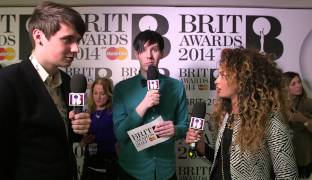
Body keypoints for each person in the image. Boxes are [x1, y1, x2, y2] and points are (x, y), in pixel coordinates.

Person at [0, 2, 91, 180]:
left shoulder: (67, 82)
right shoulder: (8, 81)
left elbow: (58, 138)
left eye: (78, 40)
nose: (76, 48)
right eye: (67, 39)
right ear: (39, 36)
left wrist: (78, 128)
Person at [185, 48, 299, 179]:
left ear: (243, 79)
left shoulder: (271, 119)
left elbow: (288, 175)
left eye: (223, 75)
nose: (216, 81)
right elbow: (223, 165)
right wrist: (201, 148)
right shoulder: (227, 115)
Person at [113, 30, 188, 180]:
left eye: (154, 49)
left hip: (166, 171)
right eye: (143, 50)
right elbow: (120, 135)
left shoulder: (177, 87)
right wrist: (144, 105)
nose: (149, 56)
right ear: (136, 54)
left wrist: (176, 130)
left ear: (162, 53)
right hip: (131, 170)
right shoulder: (122, 88)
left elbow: (184, 125)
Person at [283, 71, 312, 178]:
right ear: (284, 87)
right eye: (293, 84)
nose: (299, 86)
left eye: (299, 82)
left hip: (308, 157)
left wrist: (303, 119)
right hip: (287, 158)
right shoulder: (278, 107)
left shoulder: (310, 103)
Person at [80, 77, 118, 180]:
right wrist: (84, 141)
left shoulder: (115, 113)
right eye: (95, 93)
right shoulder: (87, 113)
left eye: (102, 93)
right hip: (90, 166)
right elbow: (82, 142)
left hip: (110, 167)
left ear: (109, 94)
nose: (98, 97)